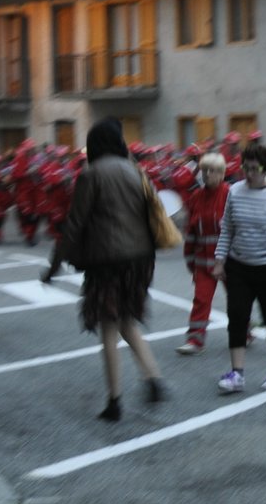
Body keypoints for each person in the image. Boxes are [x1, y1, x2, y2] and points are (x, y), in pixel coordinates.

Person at [44, 118, 169, 422]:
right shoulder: (135, 170)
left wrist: (54, 266)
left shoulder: (91, 174)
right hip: (140, 260)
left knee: (108, 329)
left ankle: (114, 400)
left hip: (107, 262)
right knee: (127, 320)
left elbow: (75, 224)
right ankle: (153, 378)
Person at [211, 142, 266, 393]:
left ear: (265, 168)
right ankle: (236, 373)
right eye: (244, 168)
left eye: (253, 168)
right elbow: (227, 229)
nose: (248, 173)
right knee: (237, 316)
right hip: (239, 265)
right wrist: (220, 260)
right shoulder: (235, 192)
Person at [177, 153, 229, 355]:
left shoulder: (230, 195)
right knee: (201, 299)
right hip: (203, 262)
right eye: (204, 170)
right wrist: (190, 261)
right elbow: (191, 232)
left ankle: (245, 331)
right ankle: (195, 339)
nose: (207, 175)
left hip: (227, 262)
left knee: (236, 299)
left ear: (222, 173)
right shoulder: (196, 197)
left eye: (212, 171)